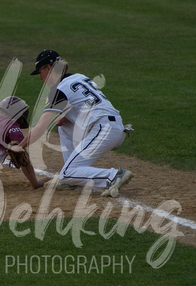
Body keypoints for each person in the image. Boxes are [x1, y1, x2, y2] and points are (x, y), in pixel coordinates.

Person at [12, 50, 133, 197]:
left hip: (103, 130)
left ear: (49, 68)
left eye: (40, 72)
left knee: (67, 173)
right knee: (64, 125)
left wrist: (20, 147)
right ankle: (72, 179)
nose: (40, 78)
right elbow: (91, 104)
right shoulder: (80, 77)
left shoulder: (58, 90)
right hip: (114, 126)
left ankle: (114, 175)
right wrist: (69, 117)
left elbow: (40, 128)